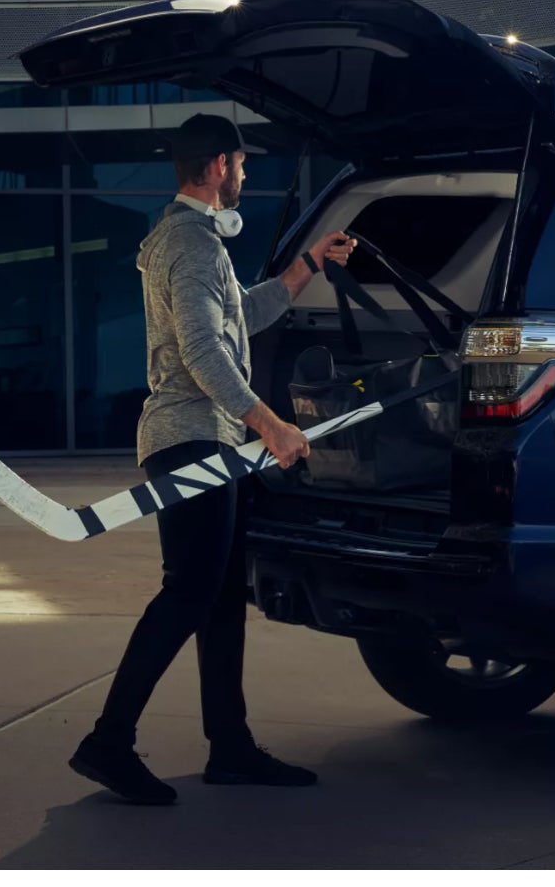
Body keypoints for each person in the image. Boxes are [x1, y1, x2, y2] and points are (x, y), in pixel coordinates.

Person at [66, 114, 358, 805]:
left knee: (219, 597)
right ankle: (107, 742)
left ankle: (229, 747)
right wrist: (272, 424)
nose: (246, 174)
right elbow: (204, 353)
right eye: (241, 164)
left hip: (212, 442)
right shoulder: (190, 244)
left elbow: (235, 318)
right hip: (191, 437)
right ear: (219, 165)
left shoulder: (195, 241)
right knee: (188, 592)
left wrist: (305, 266)